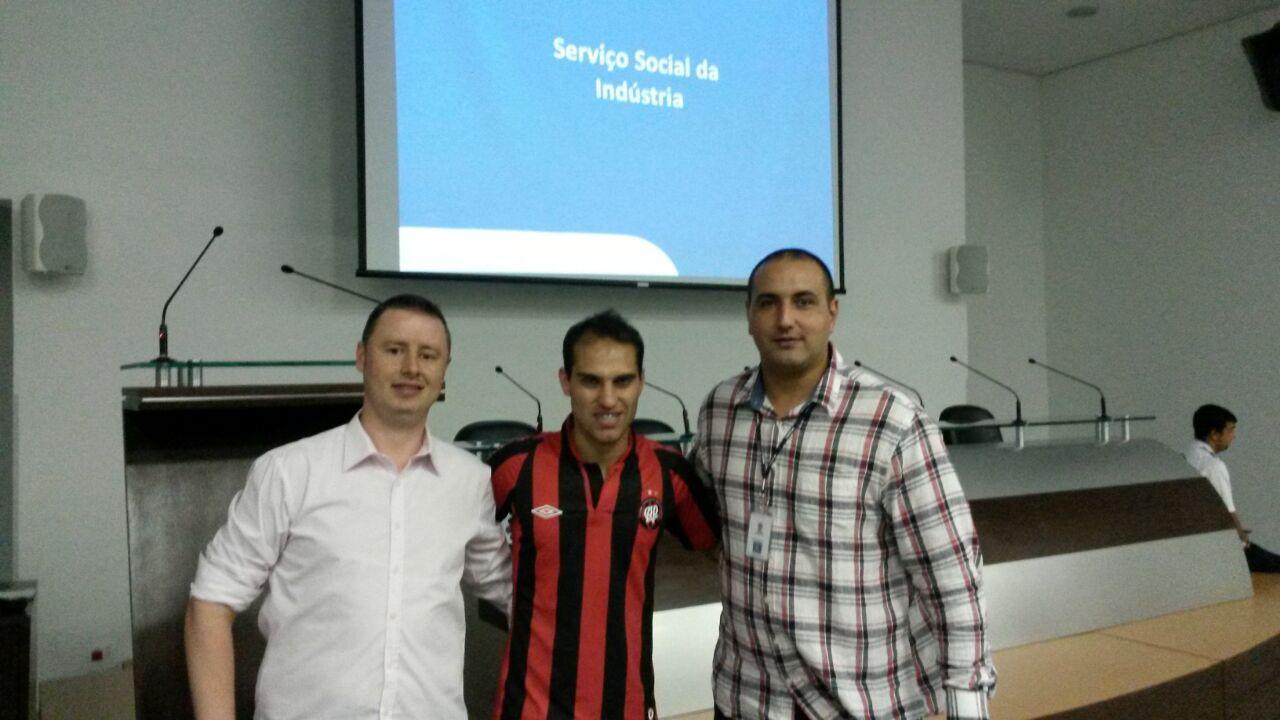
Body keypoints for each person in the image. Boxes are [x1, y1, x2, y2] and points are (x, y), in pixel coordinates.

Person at [693, 249, 996, 719]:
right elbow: (701, 507)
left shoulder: (892, 420)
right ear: (748, 315)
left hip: (859, 704)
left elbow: (951, 576)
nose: (786, 319)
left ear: (832, 313)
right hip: (745, 698)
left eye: (804, 302)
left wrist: (966, 704)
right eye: (769, 303)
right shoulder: (720, 411)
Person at [184, 294, 511, 720]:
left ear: (444, 369)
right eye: (394, 350)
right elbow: (211, 600)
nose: (412, 367)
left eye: (428, 355)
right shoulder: (290, 471)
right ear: (361, 357)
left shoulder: (469, 481)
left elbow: (517, 591)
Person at [487, 310, 720, 720]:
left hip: (627, 704)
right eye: (591, 381)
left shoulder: (669, 472)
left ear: (641, 381)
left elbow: (712, 547)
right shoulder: (516, 465)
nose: (608, 399)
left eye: (622, 381)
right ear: (566, 381)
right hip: (530, 707)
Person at [1184, 404, 1280, 572]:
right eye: (1230, 430)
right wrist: (1243, 539)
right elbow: (1228, 512)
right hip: (1222, 548)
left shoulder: (1184, 456)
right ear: (1214, 434)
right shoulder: (1213, 466)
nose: (1233, 436)